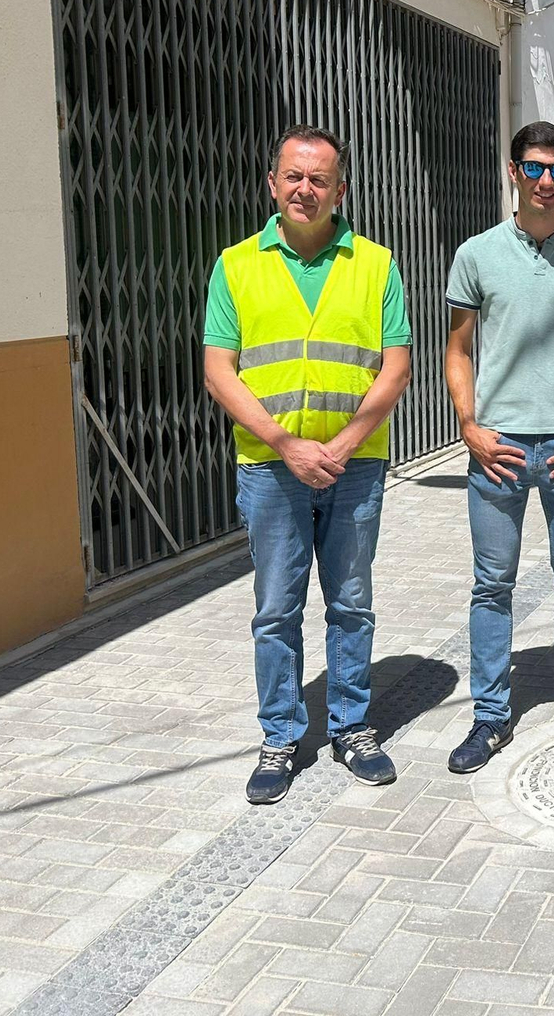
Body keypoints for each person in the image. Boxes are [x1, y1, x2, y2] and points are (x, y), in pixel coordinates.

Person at [203, 125, 413, 804]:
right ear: (272, 183)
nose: (305, 189)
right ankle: (280, 736)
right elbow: (219, 371)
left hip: (354, 467)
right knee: (275, 610)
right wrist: (287, 443)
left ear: (340, 189)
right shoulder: (236, 264)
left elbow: (396, 367)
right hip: (269, 468)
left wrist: (346, 442)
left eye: (319, 179)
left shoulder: (376, 264)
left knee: (351, 605)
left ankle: (352, 728)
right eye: (294, 176)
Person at [443, 121, 554, 773]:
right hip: (497, 450)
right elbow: (458, 349)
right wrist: (470, 423)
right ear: (512, 171)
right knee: (492, 585)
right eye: (534, 168)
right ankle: (490, 717)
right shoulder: (477, 254)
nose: (546, 181)